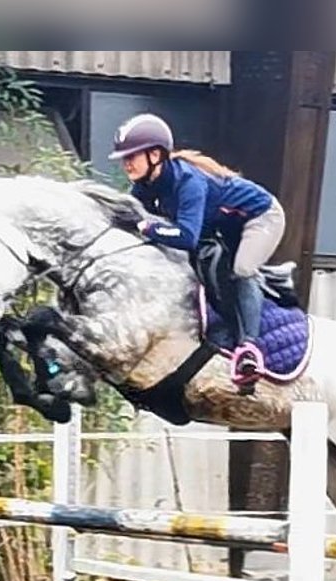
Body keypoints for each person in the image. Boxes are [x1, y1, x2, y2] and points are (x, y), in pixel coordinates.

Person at [109, 112, 286, 389]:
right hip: (225, 225)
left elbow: (187, 237)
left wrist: (146, 228)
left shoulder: (188, 182)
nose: (126, 163)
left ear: (155, 155)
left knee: (242, 269)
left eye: (132, 156)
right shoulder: (144, 186)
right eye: (124, 158)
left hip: (261, 218)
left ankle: (249, 348)